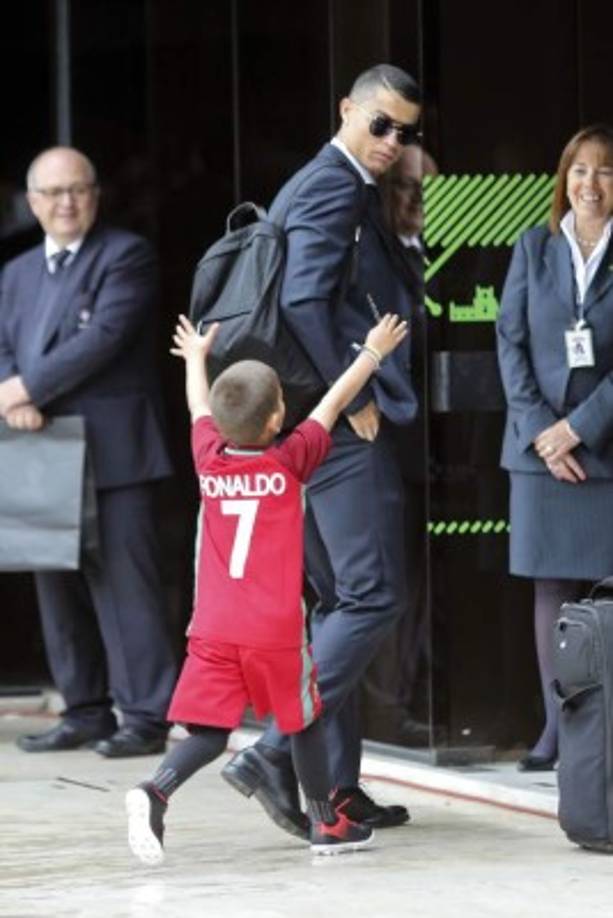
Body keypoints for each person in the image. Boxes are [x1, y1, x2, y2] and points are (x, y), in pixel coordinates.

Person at [126, 310, 408, 863]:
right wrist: (374, 351)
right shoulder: (290, 462)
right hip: (273, 630)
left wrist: (195, 359)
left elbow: (198, 406)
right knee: (304, 717)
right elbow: (333, 402)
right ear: (278, 416)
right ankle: (326, 823)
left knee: (209, 732)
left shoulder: (208, 458)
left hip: (213, 626)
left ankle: (155, 790)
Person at [221, 63, 421, 834]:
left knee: (340, 602)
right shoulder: (332, 185)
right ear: (347, 110)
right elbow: (304, 297)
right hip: (336, 427)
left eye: (404, 131)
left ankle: (333, 787)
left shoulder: (330, 183)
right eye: (380, 123)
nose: (391, 141)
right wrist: (357, 391)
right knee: (371, 596)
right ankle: (273, 751)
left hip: (306, 426)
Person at [0, 146, 177, 757]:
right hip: (42, 446)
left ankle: (146, 717)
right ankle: (84, 710)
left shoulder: (126, 255)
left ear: (96, 195)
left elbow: (103, 338)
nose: (66, 202)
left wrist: (24, 389)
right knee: (57, 586)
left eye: (77, 189)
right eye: (53, 192)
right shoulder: (16, 273)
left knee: (128, 588)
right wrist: (14, 396)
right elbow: (2, 346)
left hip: (115, 451)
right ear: (32, 202)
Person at [496, 124, 613, 771]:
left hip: (605, 447)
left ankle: (604, 730)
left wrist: (580, 427)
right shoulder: (533, 246)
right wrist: (545, 431)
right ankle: (558, 727)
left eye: (605, 171)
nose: (590, 184)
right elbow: (508, 341)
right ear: (563, 179)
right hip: (537, 452)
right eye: (579, 170)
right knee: (551, 590)